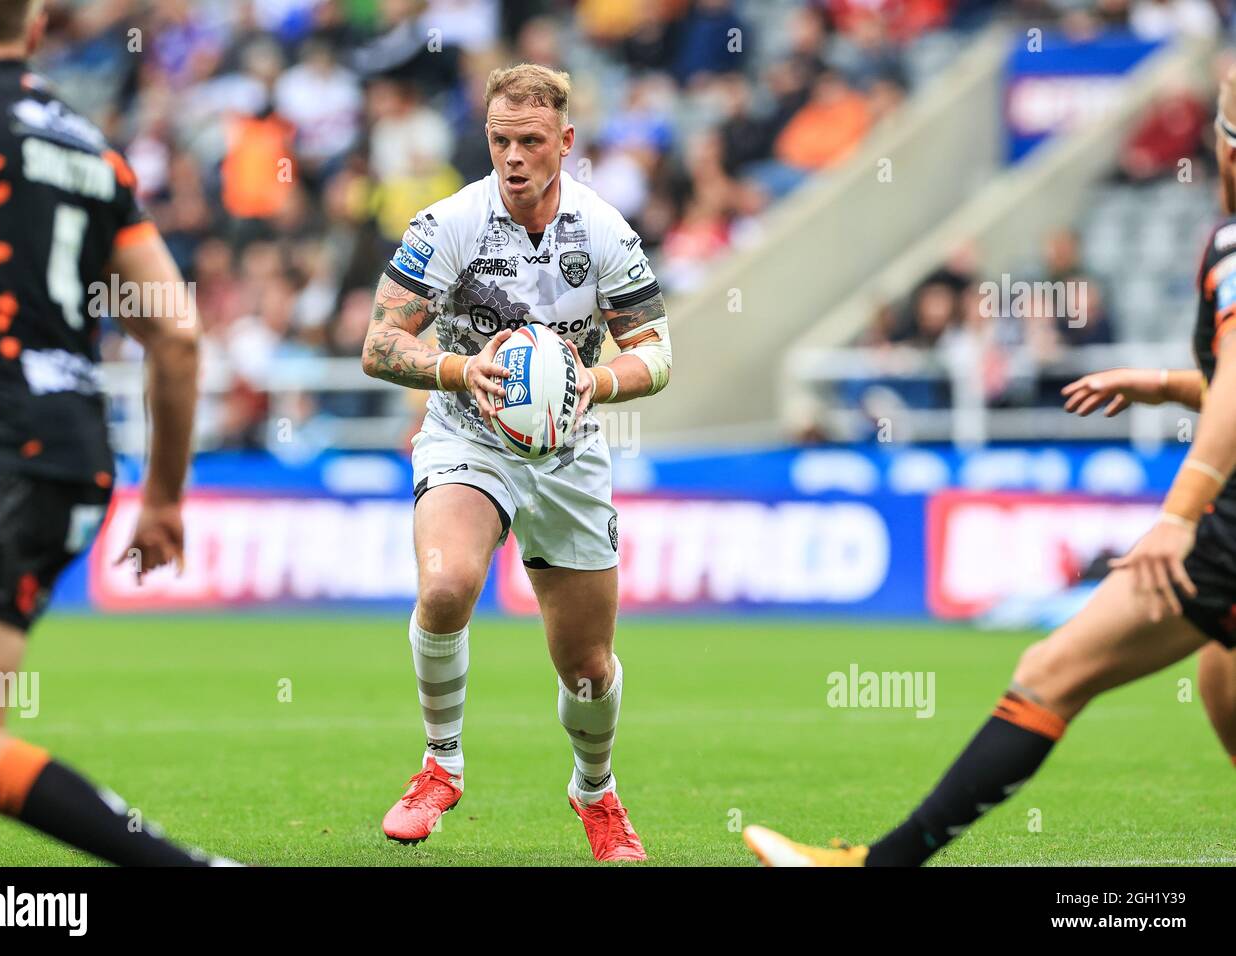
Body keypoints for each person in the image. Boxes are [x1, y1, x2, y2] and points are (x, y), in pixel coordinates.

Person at [743, 68, 1236, 867]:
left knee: (1052, 669)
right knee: (1222, 680)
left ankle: (881, 866)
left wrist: (1178, 517)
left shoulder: (1232, 244)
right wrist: (1171, 384)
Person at [0, 0, 227, 865]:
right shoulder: (89, 149)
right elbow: (174, 335)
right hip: (66, 451)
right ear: (33, 31)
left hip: (2, 458)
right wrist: (165, 500)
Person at [360, 63, 672, 862]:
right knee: (444, 587)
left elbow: (657, 353)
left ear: (565, 142)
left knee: (589, 668)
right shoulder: (448, 224)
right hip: (468, 435)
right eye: (500, 140)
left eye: (531, 141)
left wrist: (592, 381)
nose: (513, 156)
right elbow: (380, 344)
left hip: (568, 455)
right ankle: (441, 763)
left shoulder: (604, 231)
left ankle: (595, 792)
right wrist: (462, 370)